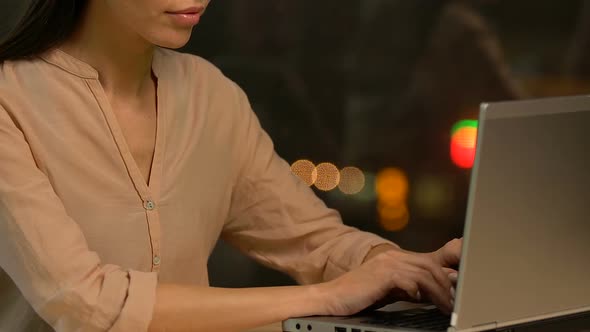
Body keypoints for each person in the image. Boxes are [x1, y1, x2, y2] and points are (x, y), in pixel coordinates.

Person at [0, 1, 462, 331]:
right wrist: (326, 297)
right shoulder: (9, 99)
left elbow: (312, 240)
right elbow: (85, 305)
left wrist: (401, 268)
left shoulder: (211, 95)